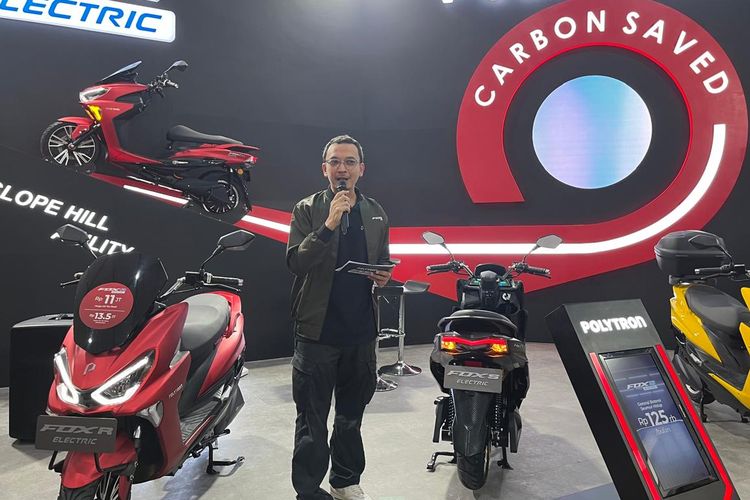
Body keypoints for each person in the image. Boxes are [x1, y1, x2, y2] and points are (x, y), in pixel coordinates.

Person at [286, 134, 392, 500]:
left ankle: (345, 480)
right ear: (324, 169)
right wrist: (329, 223)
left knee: (351, 417)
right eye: (335, 162)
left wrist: (383, 274)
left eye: (349, 162)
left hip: (361, 332)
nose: (342, 168)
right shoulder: (306, 209)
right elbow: (296, 262)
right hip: (316, 333)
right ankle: (308, 491)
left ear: (361, 169)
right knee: (311, 420)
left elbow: (383, 261)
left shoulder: (376, 212)